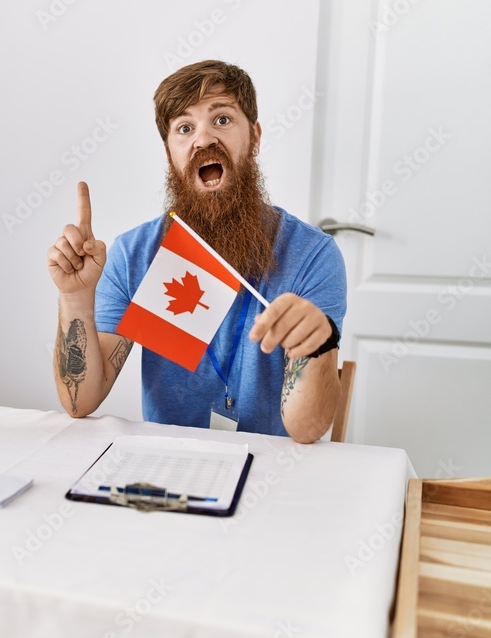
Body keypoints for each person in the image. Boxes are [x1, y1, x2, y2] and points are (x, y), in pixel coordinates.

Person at [47, 60, 346, 444]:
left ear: (254, 137)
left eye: (221, 120)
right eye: (184, 128)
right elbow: (80, 403)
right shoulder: (133, 255)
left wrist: (319, 343)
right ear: (170, 151)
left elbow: (308, 430)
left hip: (273, 472)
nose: (202, 140)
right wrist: (74, 297)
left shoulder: (313, 256)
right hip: (166, 468)